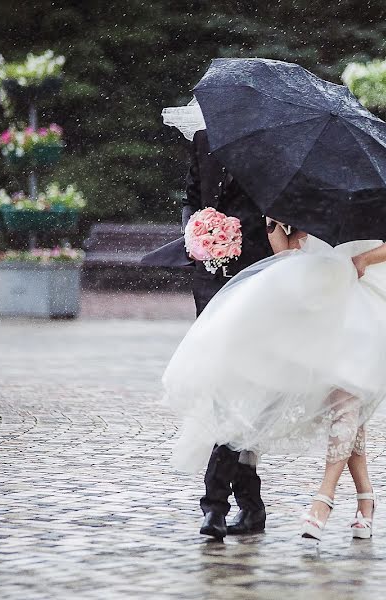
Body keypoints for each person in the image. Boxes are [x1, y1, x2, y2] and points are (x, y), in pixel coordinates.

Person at [163, 208, 386, 541]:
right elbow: (290, 254)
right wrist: (273, 226)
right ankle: (366, 500)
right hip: (323, 304)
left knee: (348, 399)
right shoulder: (311, 191)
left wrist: (365, 258)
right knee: (349, 409)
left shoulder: (375, 187)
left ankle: (324, 500)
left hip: (367, 299)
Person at [146, 128, 273, 539]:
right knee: (226, 389)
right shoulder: (203, 140)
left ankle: (215, 505)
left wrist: (242, 235)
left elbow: (282, 214)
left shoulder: (276, 150)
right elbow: (190, 197)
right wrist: (196, 232)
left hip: (256, 278)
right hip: (208, 280)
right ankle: (250, 507)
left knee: (237, 391)